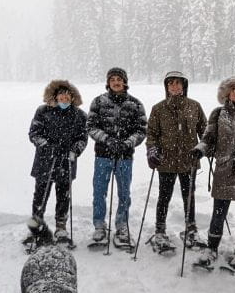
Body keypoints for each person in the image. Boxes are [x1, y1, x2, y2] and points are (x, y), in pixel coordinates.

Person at [190, 76, 235, 271]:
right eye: (233, 89)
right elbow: (208, 138)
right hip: (225, 169)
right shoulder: (218, 113)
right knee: (218, 212)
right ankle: (211, 248)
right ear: (227, 92)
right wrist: (200, 149)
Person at [145, 70, 208, 251]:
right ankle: (160, 230)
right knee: (164, 196)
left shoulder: (194, 106)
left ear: (184, 85)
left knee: (189, 196)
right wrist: (152, 150)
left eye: (178, 83)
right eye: (170, 83)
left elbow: (205, 132)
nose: (174, 86)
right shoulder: (158, 108)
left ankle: (191, 228)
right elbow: (151, 134)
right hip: (165, 161)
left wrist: (204, 148)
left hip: (189, 161)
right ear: (166, 87)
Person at [86, 67, 148, 246]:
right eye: (112, 79)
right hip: (103, 155)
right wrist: (107, 140)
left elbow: (141, 129)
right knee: (99, 192)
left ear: (125, 81)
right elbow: (91, 126)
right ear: (108, 82)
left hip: (125, 157)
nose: (116, 82)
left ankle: (121, 226)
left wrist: (127, 143)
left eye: (119, 79)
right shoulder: (98, 102)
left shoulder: (135, 104)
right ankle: (99, 226)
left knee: (124, 193)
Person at [27, 80, 88, 242]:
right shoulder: (43, 111)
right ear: (55, 96)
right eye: (61, 94)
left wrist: (75, 150)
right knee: (40, 196)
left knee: (64, 196)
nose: (64, 98)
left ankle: (61, 227)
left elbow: (83, 138)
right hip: (45, 162)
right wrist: (47, 146)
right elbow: (34, 133)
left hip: (66, 162)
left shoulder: (80, 115)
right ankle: (35, 226)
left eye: (67, 95)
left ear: (72, 97)